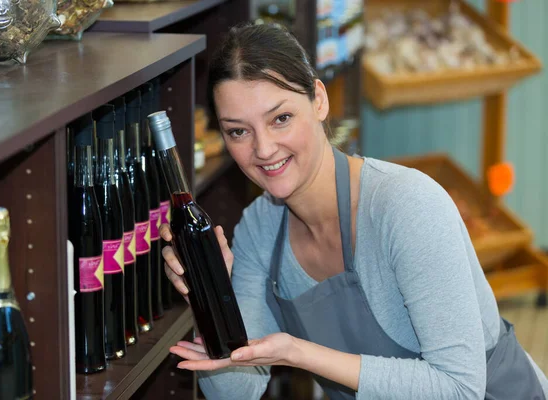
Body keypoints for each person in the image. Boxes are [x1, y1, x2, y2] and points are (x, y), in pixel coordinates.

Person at [159, 22, 548, 400]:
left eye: (281, 118)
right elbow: (236, 392)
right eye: (238, 131)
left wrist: (298, 352)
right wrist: (209, 294)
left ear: (319, 100)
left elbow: (459, 388)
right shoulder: (260, 229)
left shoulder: (405, 206)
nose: (263, 149)